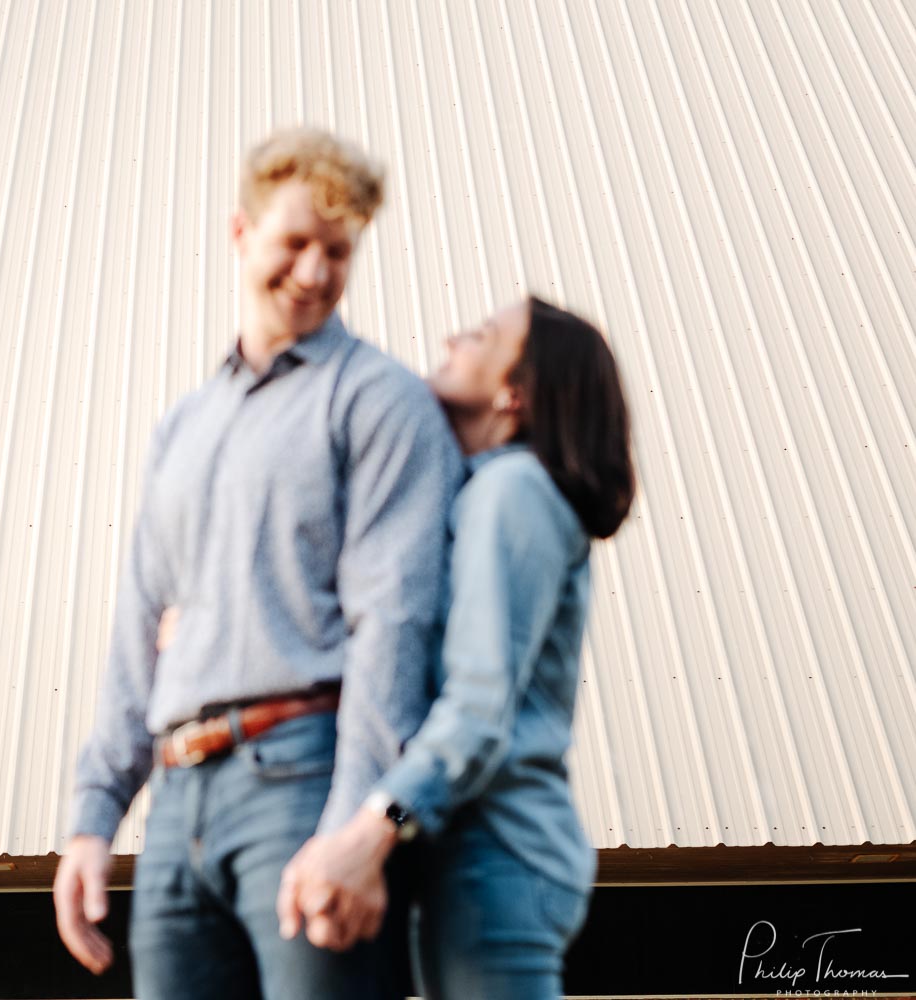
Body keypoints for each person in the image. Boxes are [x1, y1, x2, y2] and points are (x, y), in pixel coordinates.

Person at [51, 128, 462, 999]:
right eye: (295, 243)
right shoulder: (185, 426)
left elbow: (395, 625)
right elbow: (138, 623)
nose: (315, 271)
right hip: (176, 805)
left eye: (338, 252)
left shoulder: (381, 403)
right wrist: (94, 819)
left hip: (306, 781)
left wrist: (356, 830)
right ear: (239, 234)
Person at [277, 296, 636, 1000]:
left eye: (480, 335)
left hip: (500, 856)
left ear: (515, 391)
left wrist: (374, 829)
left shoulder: (513, 493)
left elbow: (476, 711)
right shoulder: (479, 493)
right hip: (469, 859)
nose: (451, 337)